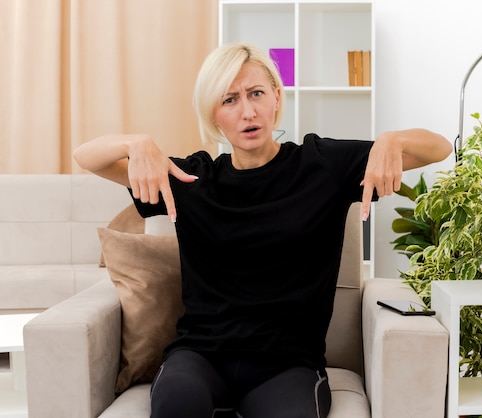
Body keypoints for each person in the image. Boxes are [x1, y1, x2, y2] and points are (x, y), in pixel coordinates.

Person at [73, 42, 452, 418]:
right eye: (229, 100)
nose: (248, 112)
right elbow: (86, 157)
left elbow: (439, 148)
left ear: (276, 97)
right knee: (176, 407)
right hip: (200, 356)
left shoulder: (321, 166)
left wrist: (392, 140)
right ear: (214, 114)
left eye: (256, 94)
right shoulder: (191, 178)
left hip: (288, 364)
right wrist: (134, 143)